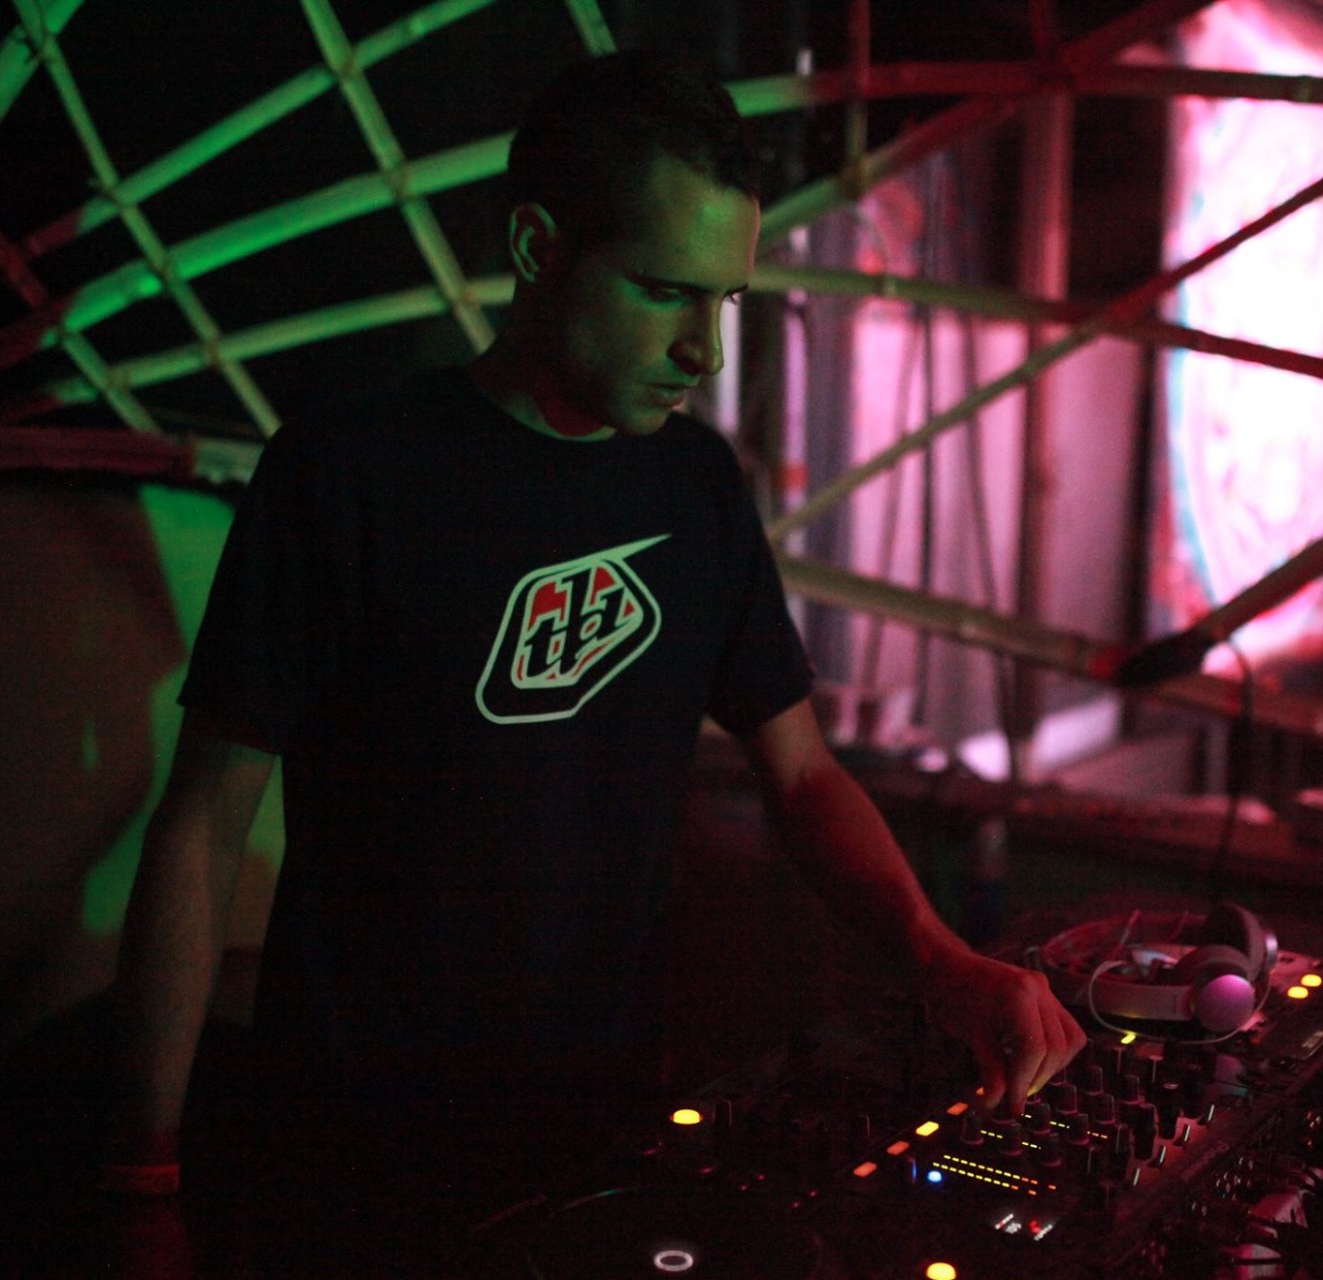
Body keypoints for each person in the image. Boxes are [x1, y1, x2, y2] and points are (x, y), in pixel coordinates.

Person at [105, 49, 1082, 1259]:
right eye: (666, 291)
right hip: (351, 1159)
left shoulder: (696, 486)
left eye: (723, 301)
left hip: (597, 1148)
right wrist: (144, 1175)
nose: (703, 350)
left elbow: (803, 774)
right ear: (536, 247)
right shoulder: (346, 471)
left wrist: (942, 960)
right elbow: (202, 827)